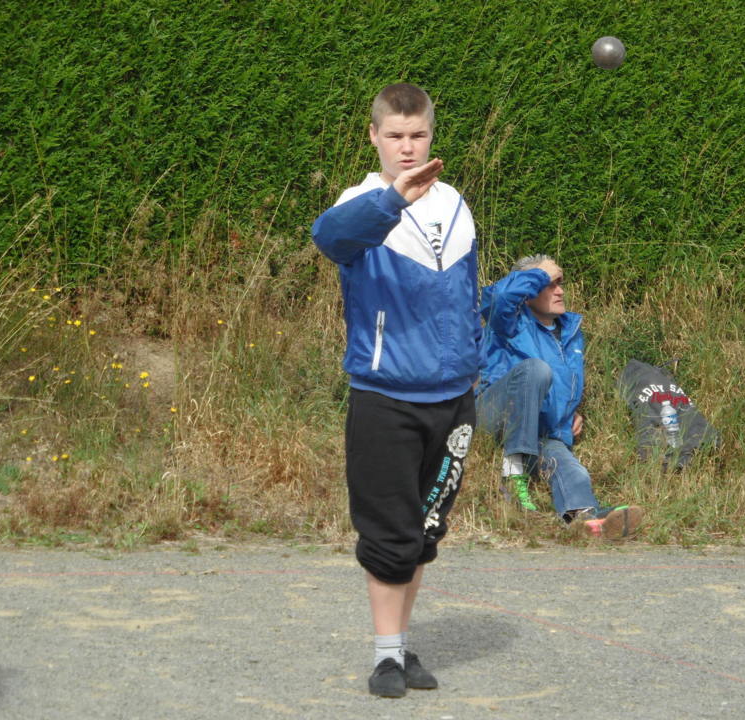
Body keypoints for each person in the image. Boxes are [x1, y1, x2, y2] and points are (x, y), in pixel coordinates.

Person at [311, 83, 480, 699]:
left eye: (418, 136)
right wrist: (393, 201)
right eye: (395, 136)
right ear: (374, 137)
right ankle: (385, 659)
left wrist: (474, 359)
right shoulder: (360, 204)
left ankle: (403, 647)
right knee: (388, 532)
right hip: (385, 397)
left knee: (424, 531)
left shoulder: (458, 204)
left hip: (454, 398)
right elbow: (328, 239)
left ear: (432, 136)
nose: (407, 148)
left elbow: (463, 295)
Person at [475, 254, 643, 539]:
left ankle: (587, 520)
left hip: (542, 433)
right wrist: (539, 273)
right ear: (527, 293)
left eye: (560, 283)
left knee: (573, 470)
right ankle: (514, 476)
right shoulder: (510, 322)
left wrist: (569, 415)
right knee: (534, 371)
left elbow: (563, 388)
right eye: (549, 284)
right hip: (493, 418)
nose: (560, 291)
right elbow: (498, 296)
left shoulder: (570, 334)